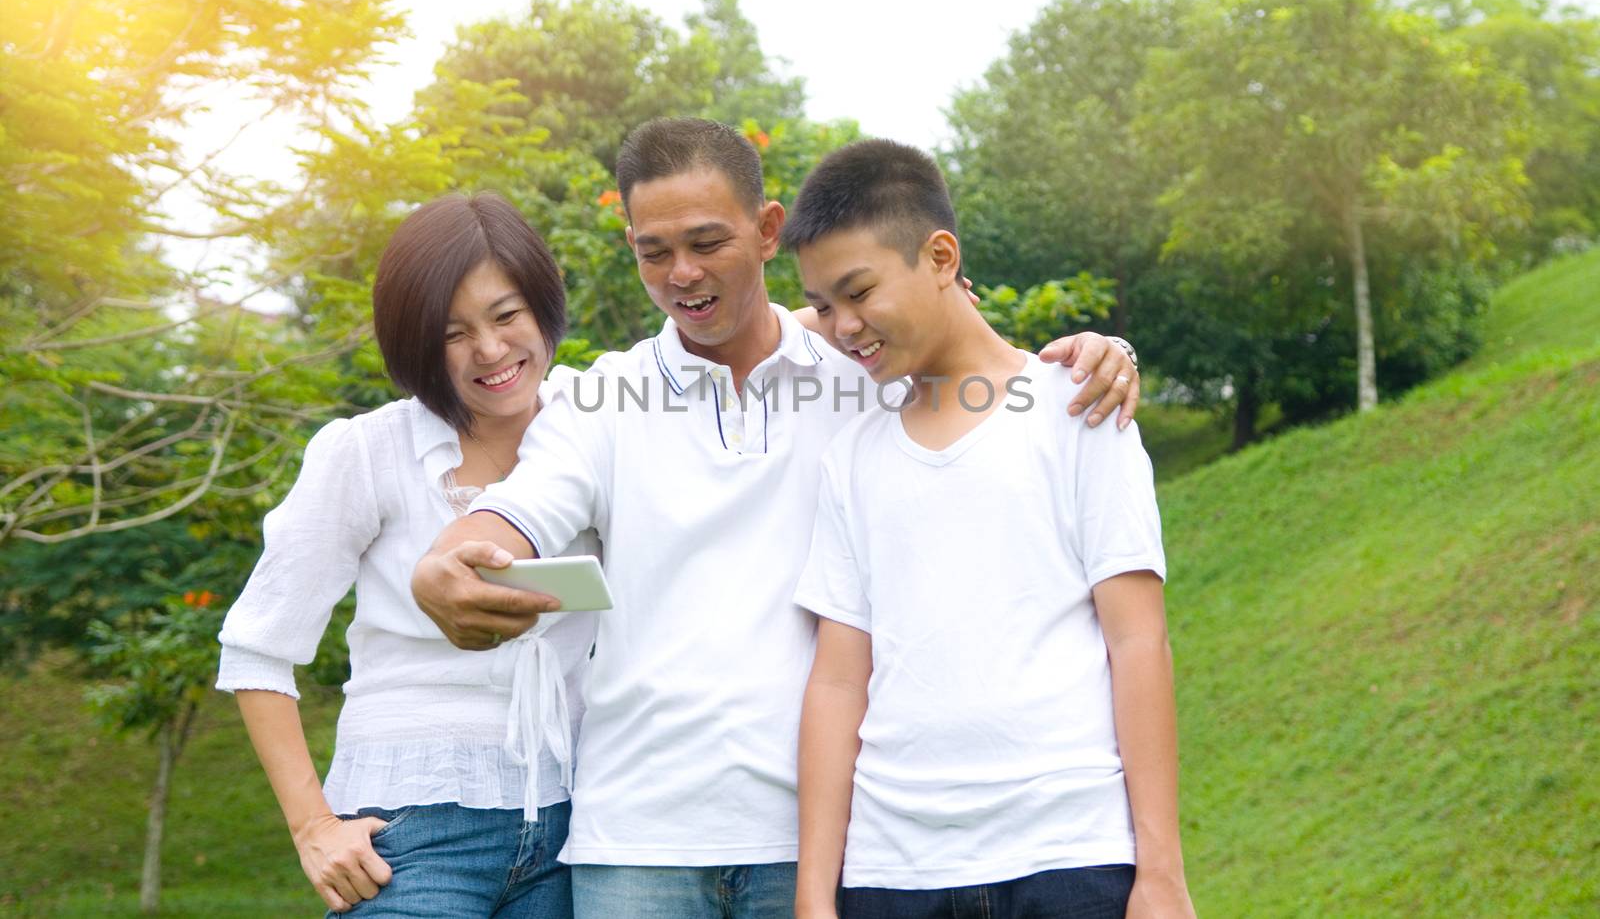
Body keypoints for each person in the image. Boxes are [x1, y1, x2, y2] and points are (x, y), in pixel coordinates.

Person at [411, 118, 1143, 919]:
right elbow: (515, 513)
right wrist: (443, 563)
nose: (681, 273)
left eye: (706, 242)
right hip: (640, 845)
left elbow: (969, 364)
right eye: (654, 251)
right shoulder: (598, 401)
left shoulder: (864, 374)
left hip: (827, 843)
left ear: (767, 232)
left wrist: (1099, 353)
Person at [784, 138, 1194, 919]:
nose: (841, 326)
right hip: (893, 871)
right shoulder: (854, 458)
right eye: (824, 306)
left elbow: (1137, 641)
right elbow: (838, 681)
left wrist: (1161, 872)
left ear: (942, 257)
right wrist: (814, 895)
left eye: (858, 291)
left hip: (1069, 856)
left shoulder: (1079, 409)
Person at [216, 193, 598, 917]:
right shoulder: (365, 453)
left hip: (577, 829)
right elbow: (257, 649)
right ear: (415, 343)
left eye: (507, 315)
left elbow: (730, 360)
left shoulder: (599, 420)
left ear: (545, 306)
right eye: (454, 333)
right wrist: (313, 827)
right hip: (412, 835)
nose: (490, 350)